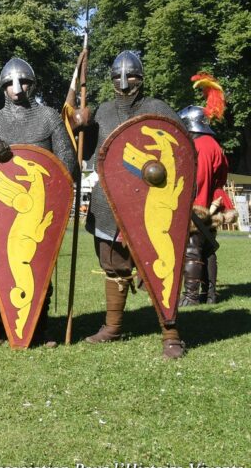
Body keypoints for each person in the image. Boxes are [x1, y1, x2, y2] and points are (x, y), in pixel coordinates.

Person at [76, 51, 185, 359]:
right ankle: (113, 327)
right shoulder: (103, 111)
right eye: (118, 77)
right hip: (109, 202)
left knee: (162, 264)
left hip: (152, 203)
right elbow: (87, 154)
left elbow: (182, 151)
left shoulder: (157, 109)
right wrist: (82, 127)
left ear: (142, 78)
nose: (125, 83)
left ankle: (171, 333)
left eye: (132, 76)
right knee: (113, 265)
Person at [0, 57, 77, 348]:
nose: (17, 89)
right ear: (3, 89)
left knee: (40, 265)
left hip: (39, 208)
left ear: (33, 84)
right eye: (10, 84)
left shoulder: (49, 118)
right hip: (2, 211)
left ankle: (39, 328)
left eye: (24, 82)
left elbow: (66, 167)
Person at [177, 105, 234, 306]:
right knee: (207, 249)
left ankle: (191, 297)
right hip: (211, 203)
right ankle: (209, 295)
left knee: (192, 250)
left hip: (200, 205)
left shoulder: (201, 145)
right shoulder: (213, 143)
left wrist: (191, 205)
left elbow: (199, 180)